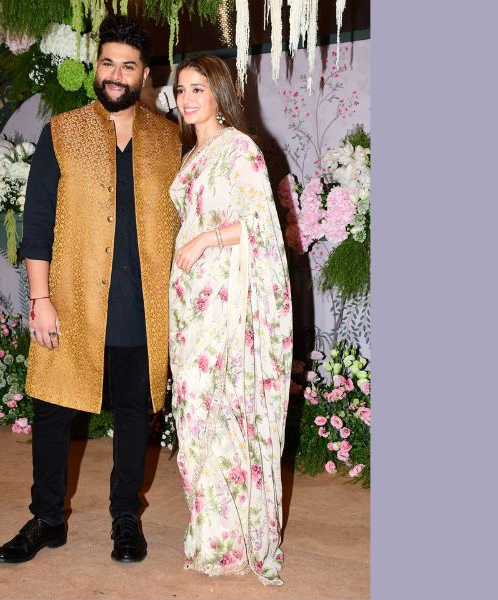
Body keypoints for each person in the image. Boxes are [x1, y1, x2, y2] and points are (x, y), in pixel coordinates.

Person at [0, 15, 182, 565]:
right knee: (53, 410)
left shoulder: (170, 140)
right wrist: (40, 300)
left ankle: (125, 517)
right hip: (72, 301)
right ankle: (47, 519)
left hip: (142, 305)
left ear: (145, 75)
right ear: (95, 67)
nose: (116, 74)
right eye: (108, 63)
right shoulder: (63, 132)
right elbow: (37, 223)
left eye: (128, 66)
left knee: (134, 412)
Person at [168, 55, 293, 585]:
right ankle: (211, 528)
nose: (187, 98)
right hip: (188, 297)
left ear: (219, 93)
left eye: (198, 88)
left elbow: (260, 224)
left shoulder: (240, 149)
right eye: (181, 89)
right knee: (193, 409)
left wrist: (204, 240)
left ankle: (233, 538)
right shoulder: (193, 153)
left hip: (225, 295)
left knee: (216, 403)